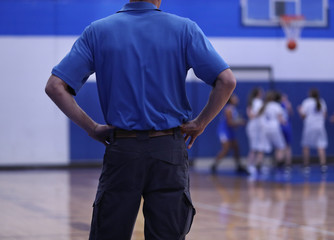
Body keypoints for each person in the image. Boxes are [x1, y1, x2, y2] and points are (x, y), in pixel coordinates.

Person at [45, 1, 236, 239]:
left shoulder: (98, 31)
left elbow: (55, 86)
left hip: (122, 149)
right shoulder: (184, 29)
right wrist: (200, 123)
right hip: (169, 150)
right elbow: (227, 81)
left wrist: (91, 128)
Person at [211, 94, 246, 174]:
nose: (237, 99)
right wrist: (240, 122)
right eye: (235, 98)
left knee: (236, 148)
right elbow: (230, 123)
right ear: (230, 99)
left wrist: (238, 122)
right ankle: (214, 165)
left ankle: (238, 165)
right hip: (224, 131)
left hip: (230, 131)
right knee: (226, 149)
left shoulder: (234, 109)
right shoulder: (228, 109)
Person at [298, 89, 328, 174]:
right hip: (320, 126)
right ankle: (323, 166)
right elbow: (325, 115)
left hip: (309, 127)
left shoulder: (306, 102)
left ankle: (306, 166)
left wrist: (300, 111)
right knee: (321, 145)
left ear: (310, 93)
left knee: (306, 145)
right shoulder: (322, 101)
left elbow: (303, 116)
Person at [258, 90, 286, 173]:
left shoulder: (264, 106)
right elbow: (281, 119)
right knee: (280, 147)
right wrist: (284, 122)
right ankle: (279, 164)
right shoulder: (276, 106)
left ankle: (258, 163)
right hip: (274, 128)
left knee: (262, 148)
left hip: (265, 129)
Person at [245, 87, 265, 177]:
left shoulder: (252, 102)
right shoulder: (258, 102)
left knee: (257, 147)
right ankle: (250, 166)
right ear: (258, 93)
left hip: (254, 127)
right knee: (254, 147)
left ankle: (255, 165)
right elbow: (252, 115)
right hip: (255, 127)